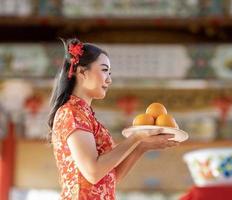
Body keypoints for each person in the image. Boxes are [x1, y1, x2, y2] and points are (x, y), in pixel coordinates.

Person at [47, 38, 179, 200]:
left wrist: (141, 146)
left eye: (110, 73)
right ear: (81, 72)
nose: (109, 79)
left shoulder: (84, 114)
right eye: (104, 70)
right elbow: (93, 172)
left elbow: (108, 179)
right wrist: (136, 137)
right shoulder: (72, 112)